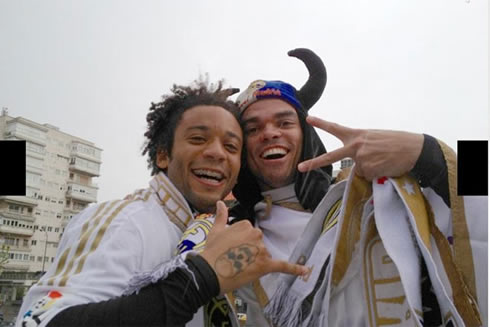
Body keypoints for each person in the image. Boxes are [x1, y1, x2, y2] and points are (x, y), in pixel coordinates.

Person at [16, 79, 308, 327]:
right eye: (198, 138)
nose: (218, 153)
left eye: (231, 146)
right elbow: (38, 321)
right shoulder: (126, 221)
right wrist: (201, 278)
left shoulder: (205, 229)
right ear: (162, 156)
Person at [229, 49, 487, 326]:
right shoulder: (227, 236)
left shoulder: (377, 193)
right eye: (253, 129)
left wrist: (431, 152)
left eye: (285, 122)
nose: (269, 133)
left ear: (307, 136)